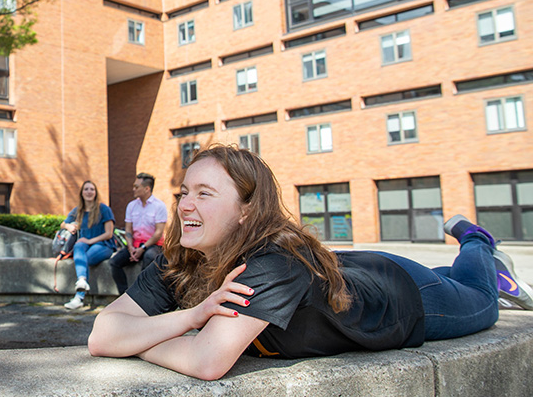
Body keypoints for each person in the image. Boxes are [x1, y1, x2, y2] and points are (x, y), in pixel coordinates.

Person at [88, 144, 532, 381]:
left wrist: (137, 340)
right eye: (185, 192)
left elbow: (207, 361)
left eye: (205, 193)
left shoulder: (271, 262)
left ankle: (478, 244)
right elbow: (102, 334)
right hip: (347, 273)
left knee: (480, 298)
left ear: (246, 209)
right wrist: (193, 314)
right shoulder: (180, 261)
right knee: (453, 280)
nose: (185, 204)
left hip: (404, 295)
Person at [59, 180, 118, 310]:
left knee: (86, 258)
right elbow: (63, 224)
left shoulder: (104, 209)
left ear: (96, 193)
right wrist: (69, 226)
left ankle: (79, 297)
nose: (89, 192)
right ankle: (81, 281)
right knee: (78, 246)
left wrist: (90, 241)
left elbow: (109, 233)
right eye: (86, 189)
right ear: (82, 193)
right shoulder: (78, 210)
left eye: (92, 189)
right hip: (85, 245)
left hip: (103, 245)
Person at [109, 172, 167, 294]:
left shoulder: (159, 206)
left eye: (136, 187)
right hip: (134, 245)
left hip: (153, 245)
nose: (133, 189)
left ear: (147, 189)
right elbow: (128, 229)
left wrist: (142, 248)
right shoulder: (131, 206)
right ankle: (123, 295)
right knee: (114, 262)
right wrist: (130, 247)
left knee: (149, 257)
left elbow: (158, 233)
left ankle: (142, 294)